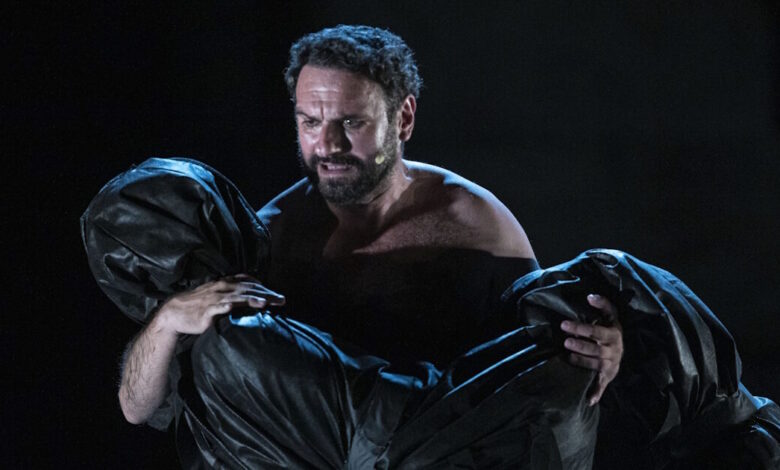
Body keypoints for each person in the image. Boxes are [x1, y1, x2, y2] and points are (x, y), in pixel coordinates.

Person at [110, 25, 626, 467]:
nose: (328, 145)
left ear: (403, 118)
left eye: (351, 123)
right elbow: (136, 408)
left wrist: (601, 349)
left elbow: (530, 360)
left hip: (440, 450)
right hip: (306, 457)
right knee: (222, 350)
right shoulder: (271, 236)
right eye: (310, 122)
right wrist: (167, 320)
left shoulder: (474, 222)